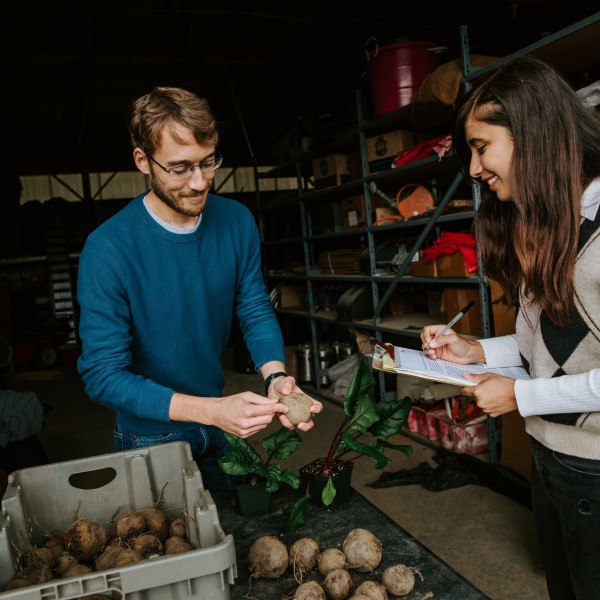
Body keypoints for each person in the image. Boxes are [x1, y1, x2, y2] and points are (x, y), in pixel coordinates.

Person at [77, 86, 322, 491]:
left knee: (237, 534)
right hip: (150, 435)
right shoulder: (108, 249)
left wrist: (275, 377)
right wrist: (211, 411)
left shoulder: (236, 222)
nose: (199, 182)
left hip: (218, 428)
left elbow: (254, 308)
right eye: (180, 167)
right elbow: (104, 375)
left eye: (208, 163)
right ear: (143, 160)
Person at [421, 56, 600, 600]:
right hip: (551, 458)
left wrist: (522, 396)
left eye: (481, 148)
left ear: (532, 132)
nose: (473, 170)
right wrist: (475, 351)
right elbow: (547, 345)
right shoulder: (546, 224)